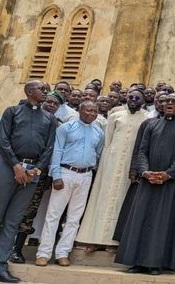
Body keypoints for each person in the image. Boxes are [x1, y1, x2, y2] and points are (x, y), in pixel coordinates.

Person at [114, 94, 175, 275]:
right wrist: (145, 172)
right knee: (141, 218)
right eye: (166, 102)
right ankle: (136, 261)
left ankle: (157, 263)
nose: (169, 104)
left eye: (173, 102)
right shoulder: (151, 125)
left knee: (163, 221)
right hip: (148, 180)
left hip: (172, 183)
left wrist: (168, 174)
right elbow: (142, 150)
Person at [76, 91, 148, 253]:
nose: (133, 100)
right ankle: (94, 239)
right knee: (102, 198)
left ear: (142, 101)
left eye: (137, 98)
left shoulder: (147, 118)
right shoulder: (116, 115)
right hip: (111, 162)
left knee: (122, 200)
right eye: (131, 97)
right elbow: (107, 141)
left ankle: (114, 242)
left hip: (130, 164)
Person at [0, 80, 57, 283]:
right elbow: (3, 139)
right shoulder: (12, 112)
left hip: (32, 173)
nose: (46, 92)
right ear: (29, 91)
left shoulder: (49, 119)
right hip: (8, 168)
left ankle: (1, 265)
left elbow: (49, 147)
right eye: (41, 89)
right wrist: (16, 166)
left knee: (13, 220)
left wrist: (36, 169)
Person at [35, 101, 104, 267]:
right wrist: (56, 175)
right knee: (53, 215)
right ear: (80, 110)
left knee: (74, 218)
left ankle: (62, 253)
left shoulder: (99, 132)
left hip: (85, 175)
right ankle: (43, 253)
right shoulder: (66, 128)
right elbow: (57, 151)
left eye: (95, 111)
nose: (92, 114)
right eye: (88, 110)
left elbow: (98, 152)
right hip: (65, 173)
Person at [8, 92, 62, 264]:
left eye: (56, 104)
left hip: (38, 174)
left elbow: (51, 150)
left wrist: (37, 170)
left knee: (29, 211)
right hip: (12, 169)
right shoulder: (18, 114)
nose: (51, 105)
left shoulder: (56, 124)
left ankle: (16, 250)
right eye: (49, 101)